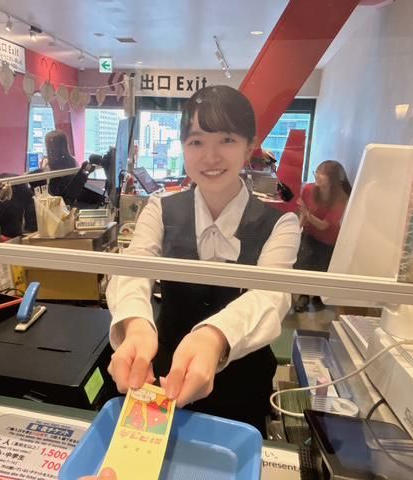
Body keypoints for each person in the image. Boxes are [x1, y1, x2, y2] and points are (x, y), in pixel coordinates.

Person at [106, 86, 300, 435]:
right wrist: (135, 324)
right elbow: (133, 267)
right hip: (163, 379)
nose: (210, 157)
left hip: (243, 389)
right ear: (183, 147)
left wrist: (213, 338)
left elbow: (271, 296)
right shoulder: (160, 208)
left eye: (226, 140)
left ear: (249, 147)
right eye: (196, 142)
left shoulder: (281, 224)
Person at [294, 160, 351, 312]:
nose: (318, 175)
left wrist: (307, 214)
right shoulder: (308, 189)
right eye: (317, 171)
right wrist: (297, 230)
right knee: (303, 265)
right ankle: (304, 296)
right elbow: (302, 213)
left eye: (323, 173)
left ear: (332, 179)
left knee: (322, 270)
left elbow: (323, 225)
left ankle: (318, 296)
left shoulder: (341, 199)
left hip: (328, 240)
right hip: (309, 234)